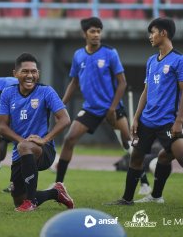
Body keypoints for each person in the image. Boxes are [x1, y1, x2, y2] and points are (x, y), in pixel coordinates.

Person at [107, 18, 183, 205]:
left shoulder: (178, 60)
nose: (150, 36)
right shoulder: (151, 61)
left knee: (177, 156)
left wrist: (179, 121)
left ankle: (156, 195)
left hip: (168, 121)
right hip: (147, 120)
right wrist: (135, 118)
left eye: (153, 32)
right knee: (136, 158)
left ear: (163, 33)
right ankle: (127, 199)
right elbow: (146, 92)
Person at [54, 17, 136, 185]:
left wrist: (112, 109)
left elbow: (122, 83)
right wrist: (60, 104)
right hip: (91, 109)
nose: (96, 34)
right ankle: (59, 184)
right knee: (69, 139)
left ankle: (144, 184)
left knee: (128, 143)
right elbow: (74, 82)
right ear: (84, 33)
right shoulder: (78, 55)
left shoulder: (110, 53)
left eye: (99, 31)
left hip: (112, 108)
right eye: (93, 31)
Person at [0, 52, 74, 212]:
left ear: (38, 73)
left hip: (44, 150)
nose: (30, 75)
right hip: (21, 150)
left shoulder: (46, 92)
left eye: (34, 71)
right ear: (15, 73)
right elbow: (2, 126)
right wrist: (21, 140)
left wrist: (45, 139)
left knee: (25, 148)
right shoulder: (7, 93)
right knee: (18, 199)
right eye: (25, 71)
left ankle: (31, 202)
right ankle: (56, 193)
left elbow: (65, 119)